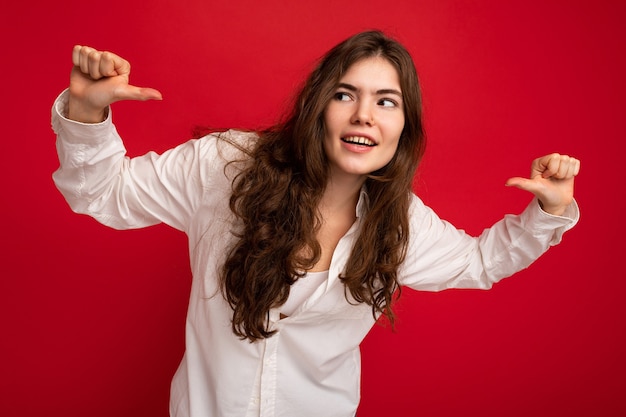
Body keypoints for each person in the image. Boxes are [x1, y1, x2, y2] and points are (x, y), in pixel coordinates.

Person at [51, 31, 580, 417]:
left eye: (386, 101)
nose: (364, 116)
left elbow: (481, 261)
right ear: (317, 105)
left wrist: (549, 211)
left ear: (404, 127)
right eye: (345, 94)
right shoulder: (226, 167)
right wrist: (85, 111)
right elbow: (102, 192)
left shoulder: (399, 226)